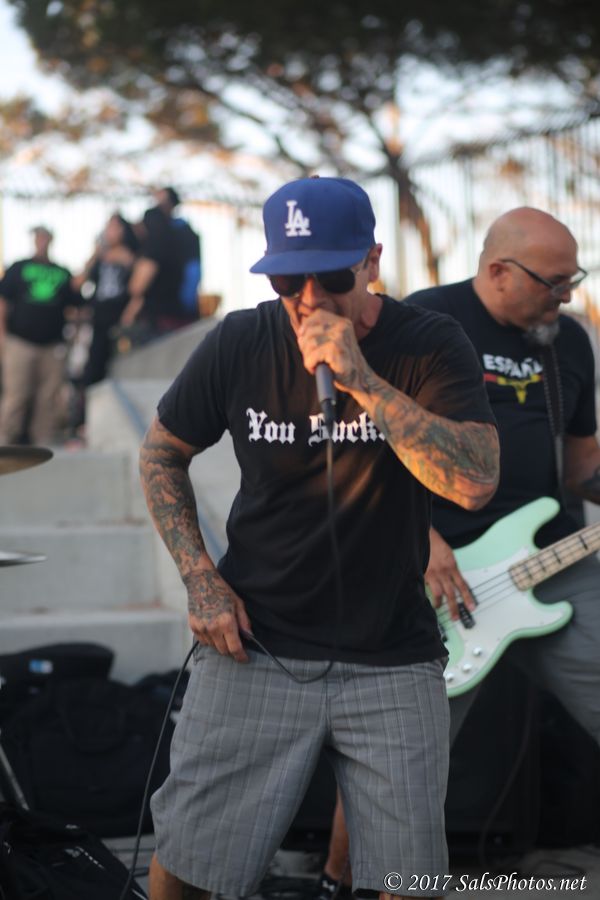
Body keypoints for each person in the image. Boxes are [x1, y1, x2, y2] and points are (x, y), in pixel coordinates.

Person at [139, 176, 499, 900]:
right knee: (190, 861)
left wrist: (362, 380)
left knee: (410, 876)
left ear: (372, 262)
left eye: (332, 277)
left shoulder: (430, 344)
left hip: (392, 653)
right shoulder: (240, 341)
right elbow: (161, 454)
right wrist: (201, 580)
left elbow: (473, 482)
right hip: (258, 644)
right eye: (286, 280)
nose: (308, 299)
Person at [319, 206, 600, 894]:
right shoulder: (426, 321)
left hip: (551, 560)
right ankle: (338, 879)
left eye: (574, 281)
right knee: (400, 759)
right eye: (554, 283)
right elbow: (359, 444)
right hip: (435, 568)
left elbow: (581, 465)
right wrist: (420, 539)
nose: (566, 296)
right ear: (499, 270)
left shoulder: (568, 343)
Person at [0, 226, 81, 445]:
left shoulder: (62, 272)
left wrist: (73, 339)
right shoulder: (19, 268)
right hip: (20, 341)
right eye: (39, 237)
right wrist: (2, 335)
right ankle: (5, 442)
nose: (42, 241)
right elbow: (3, 301)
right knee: (16, 394)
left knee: (48, 398)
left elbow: (76, 305)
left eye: (45, 237)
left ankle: (44, 443)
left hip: (52, 345)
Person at [123, 186, 201, 336]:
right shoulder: (181, 234)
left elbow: (137, 287)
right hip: (179, 314)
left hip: (160, 317)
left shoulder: (156, 248)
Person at [74, 212, 139, 386]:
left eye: (115, 227)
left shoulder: (131, 254)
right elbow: (78, 282)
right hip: (99, 317)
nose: (110, 231)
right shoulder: (100, 257)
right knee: (94, 362)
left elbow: (138, 290)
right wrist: (95, 255)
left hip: (120, 316)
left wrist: (129, 314)